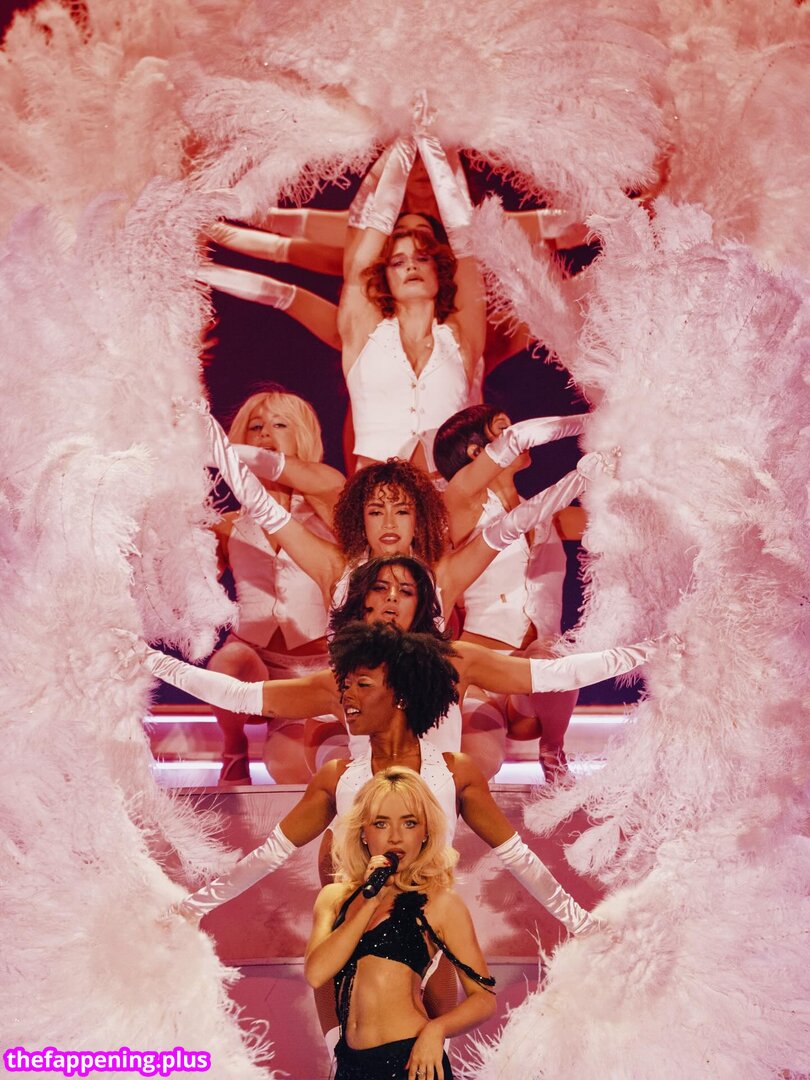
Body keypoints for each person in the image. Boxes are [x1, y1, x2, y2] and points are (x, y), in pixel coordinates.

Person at [305, 766, 495, 1080]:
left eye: (409, 823)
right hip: (350, 1065)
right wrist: (369, 899)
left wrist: (437, 1029)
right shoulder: (335, 898)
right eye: (381, 823)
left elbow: (484, 999)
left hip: (410, 1062)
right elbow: (316, 973)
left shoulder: (440, 903)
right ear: (363, 832)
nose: (395, 836)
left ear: (426, 833)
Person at [434, 404, 590, 780]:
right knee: (477, 766)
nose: (520, 434)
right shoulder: (461, 504)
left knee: (554, 655)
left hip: (535, 690)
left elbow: (619, 522)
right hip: (481, 671)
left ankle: (553, 748)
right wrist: (590, 424)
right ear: (477, 452)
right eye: (504, 428)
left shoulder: (544, 513)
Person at [206, 388, 344, 784]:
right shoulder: (228, 524)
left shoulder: (330, 502)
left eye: (279, 424)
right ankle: (234, 747)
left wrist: (221, 451)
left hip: (317, 670)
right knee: (229, 660)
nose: (265, 433)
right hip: (255, 665)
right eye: (255, 427)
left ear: (301, 435)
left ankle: (293, 730)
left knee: (289, 771)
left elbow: (319, 479)